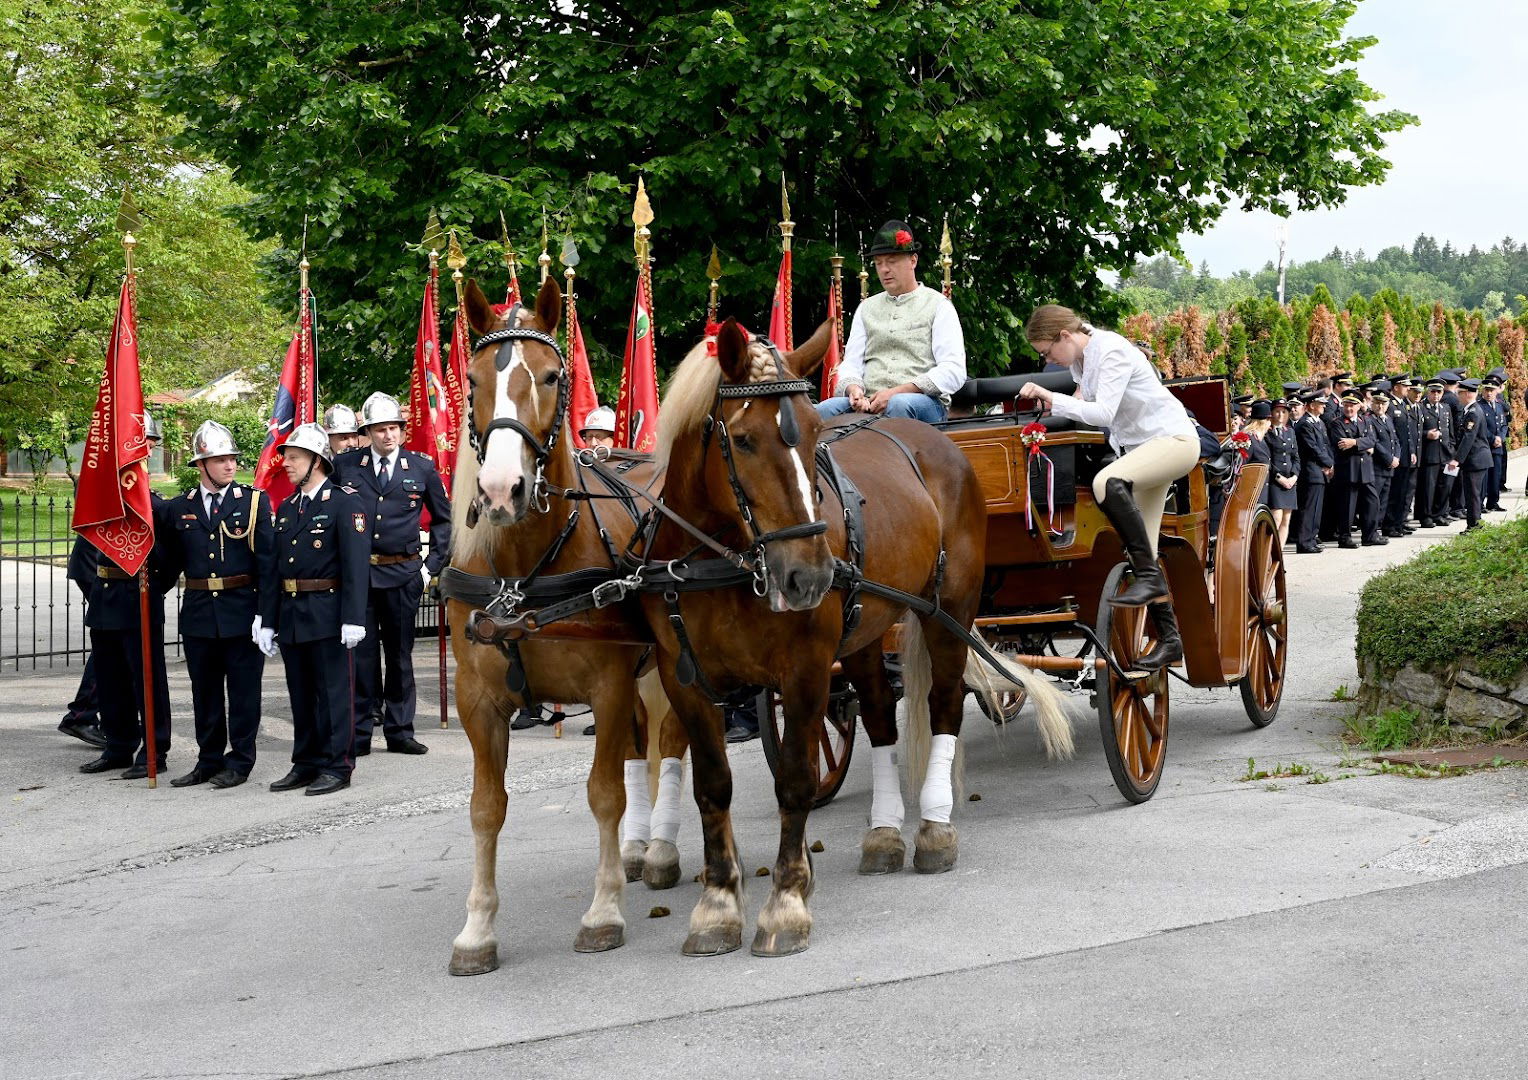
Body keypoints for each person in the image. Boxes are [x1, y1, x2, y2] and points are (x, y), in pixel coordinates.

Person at [1021, 306, 1199, 670]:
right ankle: (1171, 640)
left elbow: (1102, 413)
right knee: (1141, 551)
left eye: (1047, 351)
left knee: (1107, 482)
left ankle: (1150, 580)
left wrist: (1051, 397)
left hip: (1175, 441)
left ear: (1066, 336)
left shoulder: (1112, 350)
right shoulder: (1080, 362)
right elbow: (1082, 405)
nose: (1049, 360)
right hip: (1143, 449)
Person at [158, 421, 277, 789]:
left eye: (231, 459)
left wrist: (265, 616)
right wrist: (144, 598)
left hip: (242, 611)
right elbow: (167, 563)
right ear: (201, 465)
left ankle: (240, 761)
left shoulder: (254, 502)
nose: (229, 466)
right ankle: (207, 759)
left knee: (243, 693)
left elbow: (268, 565)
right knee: (204, 693)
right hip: (198, 614)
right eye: (220, 460)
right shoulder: (179, 509)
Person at [332, 392, 451, 756]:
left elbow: (445, 520)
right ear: (367, 432)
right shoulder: (347, 466)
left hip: (403, 574)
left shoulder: (421, 468)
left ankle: (400, 731)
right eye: (380, 429)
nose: (388, 435)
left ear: (402, 430)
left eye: (393, 428)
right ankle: (361, 732)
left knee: (400, 656)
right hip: (360, 578)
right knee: (361, 657)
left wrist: (430, 570)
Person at [260, 423, 369, 795]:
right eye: (286, 457)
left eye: (294, 457)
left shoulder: (344, 502)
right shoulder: (289, 507)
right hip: (293, 613)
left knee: (334, 693)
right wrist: (267, 619)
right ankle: (305, 761)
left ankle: (337, 765)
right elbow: (276, 568)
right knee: (301, 693)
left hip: (328, 611)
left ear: (317, 461)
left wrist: (353, 618)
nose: (286, 464)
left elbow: (355, 566)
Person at [78, 414, 176, 779]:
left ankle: (154, 751)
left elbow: (170, 561)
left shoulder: (155, 506)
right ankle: (118, 746)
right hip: (106, 596)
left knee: (146, 678)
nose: (143, 447)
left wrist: (151, 588)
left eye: (147, 441)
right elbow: (87, 551)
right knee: (109, 676)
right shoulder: (104, 500)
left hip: (139, 596)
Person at [815, 220, 966, 423]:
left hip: (924, 404)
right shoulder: (866, 309)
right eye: (878, 263)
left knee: (899, 404)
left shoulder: (939, 305)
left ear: (913, 261)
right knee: (822, 410)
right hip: (869, 402)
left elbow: (953, 370)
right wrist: (855, 390)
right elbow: (851, 363)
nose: (884, 269)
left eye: (892, 261)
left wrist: (898, 391)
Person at [58, 536, 106, 748]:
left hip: (97, 561)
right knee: (111, 643)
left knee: (117, 642)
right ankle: (81, 715)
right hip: (96, 563)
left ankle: (114, 719)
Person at [1327, 392, 1376, 549]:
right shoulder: (1337, 423)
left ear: (1359, 406)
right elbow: (1341, 445)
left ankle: (1369, 535)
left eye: (1352, 405)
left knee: (1372, 502)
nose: (1349, 408)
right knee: (1348, 505)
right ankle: (1345, 537)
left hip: (1365, 469)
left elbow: (1373, 440)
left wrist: (1354, 442)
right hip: (1348, 469)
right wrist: (1364, 445)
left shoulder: (1365, 421)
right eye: (1346, 405)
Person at [1293, 390, 1333, 554]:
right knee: (1308, 508)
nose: (1324, 406)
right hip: (1310, 471)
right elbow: (1313, 448)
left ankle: (1311, 538)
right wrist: (1328, 462)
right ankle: (1304, 541)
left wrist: (1331, 464)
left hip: (1320, 471)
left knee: (1316, 508)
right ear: (1311, 405)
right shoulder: (1305, 424)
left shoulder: (1318, 422)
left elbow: (1326, 445)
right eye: (1320, 403)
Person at [1450, 379, 1494, 530]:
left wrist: (1456, 460)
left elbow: (1469, 438)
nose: (1458, 396)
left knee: (1472, 494)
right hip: (1477, 459)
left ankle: (1474, 526)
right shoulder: (1471, 410)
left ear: (1467, 394)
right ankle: (1475, 523)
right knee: (1473, 494)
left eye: (1459, 393)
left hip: (1475, 460)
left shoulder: (1473, 412)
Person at [1415, 377, 1455, 528]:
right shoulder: (1421, 408)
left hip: (1446, 453)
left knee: (1445, 485)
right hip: (1429, 455)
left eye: (1439, 392)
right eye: (1433, 392)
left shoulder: (1445, 408)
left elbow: (1450, 431)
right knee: (1428, 488)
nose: (1436, 395)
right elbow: (1416, 431)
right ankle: (1426, 516)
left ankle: (1439, 513)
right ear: (1428, 392)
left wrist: (1452, 448)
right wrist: (1426, 434)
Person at [1382, 375, 1419, 537]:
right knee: (1394, 493)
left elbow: (1409, 432)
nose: (1408, 389)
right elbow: (1390, 433)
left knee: (1403, 492)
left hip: (1405, 455)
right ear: (1396, 387)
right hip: (1395, 456)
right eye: (1405, 386)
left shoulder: (1403, 404)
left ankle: (1399, 523)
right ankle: (1389, 525)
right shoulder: (1390, 404)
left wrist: (1411, 451)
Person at [1363, 385, 1399, 545]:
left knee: (1383, 501)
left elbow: (1395, 440)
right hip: (1377, 466)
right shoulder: (1369, 420)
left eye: (1383, 403)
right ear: (1372, 403)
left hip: (1388, 467)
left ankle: (1376, 530)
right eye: (1377, 402)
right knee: (1373, 502)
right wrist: (1389, 458)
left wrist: (1396, 456)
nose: (1380, 406)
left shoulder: (1388, 419)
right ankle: (1369, 533)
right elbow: (1374, 442)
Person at [1263, 398, 1300, 547]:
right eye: (1277, 411)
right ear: (1271, 413)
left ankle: (1280, 553)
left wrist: (1294, 476)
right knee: (1276, 518)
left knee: (1286, 519)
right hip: (1275, 482)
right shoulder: (1267, 432)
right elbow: (1267, 460)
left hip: (1290, 481)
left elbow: (1296, 457)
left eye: (1283, 412)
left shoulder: (1290, 431)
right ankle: (1269, 553)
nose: (1280, 415)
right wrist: (1280, 478)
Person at [1480, 378, 1507, 512]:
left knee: (1496, 475)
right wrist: (1493, 439)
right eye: (1487, 390)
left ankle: (1493, 501)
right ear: (1483, 391)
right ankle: (1480, 503)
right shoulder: (1480, 406)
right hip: (1486, 446)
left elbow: (1503, 424)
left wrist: (1501, 438)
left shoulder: (1499, 405)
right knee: (1484, 477)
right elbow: (1482, 427)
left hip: (1497, 447)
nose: (1489, 393)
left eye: (1492, 390)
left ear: (1497, 391)